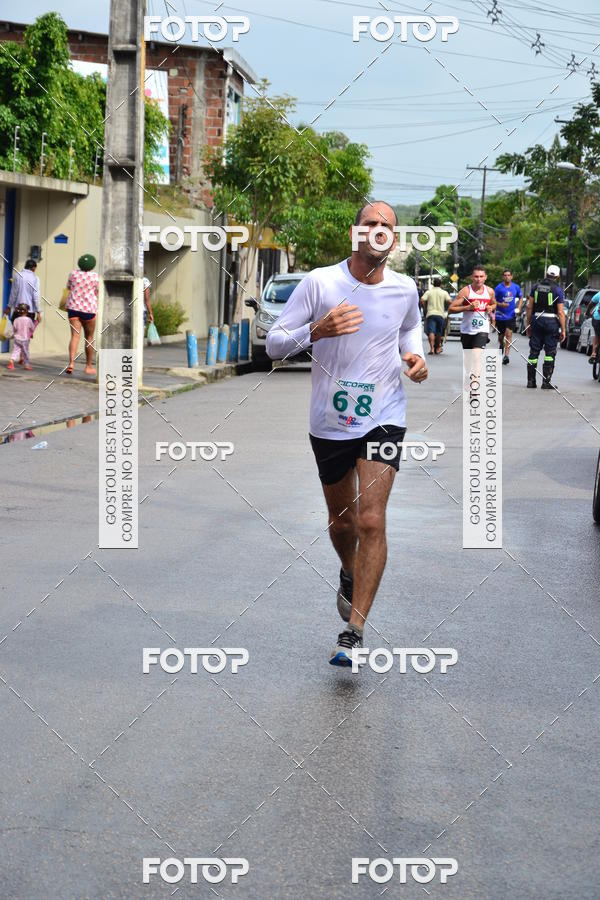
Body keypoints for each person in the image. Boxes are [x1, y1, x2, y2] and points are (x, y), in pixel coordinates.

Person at [265, 200, 427, 667]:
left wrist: (415, 359)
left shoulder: (405, 289)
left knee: (372, 520)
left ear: (394, 241)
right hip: (331, 423)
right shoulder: (319, 282)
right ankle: (348, 570)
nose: (378, 231)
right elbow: (275, 342)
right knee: (344, 523)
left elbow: (409, 331)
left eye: (387, 227)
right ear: (354, 233)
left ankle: (353, 631)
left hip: (383, 416)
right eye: (370, 224)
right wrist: (316, 330)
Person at [526, 264, 565, 389]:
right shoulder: (558, 290)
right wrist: (563, 330)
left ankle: (531, 382)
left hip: (536, 320)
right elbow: (560, 312)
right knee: (550, 352)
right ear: (558, 276)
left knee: (534, 351)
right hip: (551, 322)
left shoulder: (535, 287)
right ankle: (546, 382)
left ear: (546, 273)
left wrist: (528, 324)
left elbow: (529, 307)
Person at [65, 253, 99, 376]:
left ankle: (71, 363)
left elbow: (68, 288)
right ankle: (88, 366)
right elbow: (98, 292)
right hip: (89, 310)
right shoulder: (96, 277)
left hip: (73, 309)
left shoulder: (73, 274)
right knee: (89, 337)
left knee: (75, 336)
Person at [448, 265, 496, 349]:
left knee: (476, 354)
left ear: (485, 277)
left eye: (481, 276)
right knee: (469, 360)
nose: (479, 279)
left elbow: (494, 304)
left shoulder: (489, 291)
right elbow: (451, 309)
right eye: (476, 276)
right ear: (472, 277)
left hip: (482, 330)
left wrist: (491, 307)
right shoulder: (465, 291)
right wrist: (467, 308)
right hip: (467, 331)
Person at [494, 268, 521, 364]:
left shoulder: (516, 287)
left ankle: (506, 355)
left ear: (512, 276)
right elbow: (493, 301)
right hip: (500, 315)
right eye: (505, 275)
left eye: (509, 275)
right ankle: (501, 345)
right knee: (501, 336)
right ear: (503, 277)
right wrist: (500, 305)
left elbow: (521, 297)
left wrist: (519, 307)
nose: (507, 277)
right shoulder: (498, 288)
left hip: (511, 315)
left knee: (509, 334)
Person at [421, 276, 451, 355]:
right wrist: (448, 309)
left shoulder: (429, 292)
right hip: (441, 315)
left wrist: (425, 309)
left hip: (430, 314)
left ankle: (431, 349)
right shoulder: (444, 292)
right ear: (440, 284)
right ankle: (437, 349)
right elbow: (450, 301)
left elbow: (422, 300)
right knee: (438, 332)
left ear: (433, 284)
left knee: (431, 331)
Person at [8, 259, 41, 324]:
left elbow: (13, 293)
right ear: (33, 268)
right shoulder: (35, 278)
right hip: (29, 311)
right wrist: (38, 312)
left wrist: (9, 307)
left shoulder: (18, 276)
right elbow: (36, 297)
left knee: (15, 331)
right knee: (28, 332)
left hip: (18, 310)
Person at [6, 303, 36, 370]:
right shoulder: (29, 320)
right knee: (25, 352)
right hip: (25, 339)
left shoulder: (16, 320)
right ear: (27, 311)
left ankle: (11, 361)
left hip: (17, 338)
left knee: (16, 351)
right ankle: (27, 365)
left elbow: (14, 329)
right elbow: (32, 328)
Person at [586, 290, 600, 364]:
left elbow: (591, 304)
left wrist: (588, 312)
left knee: (597, 334)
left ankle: (594, 353)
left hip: (598, 318)